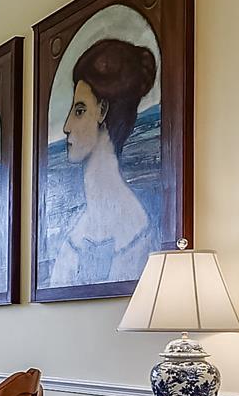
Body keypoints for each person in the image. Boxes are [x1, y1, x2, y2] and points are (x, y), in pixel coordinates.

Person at [44, 37, 160, 289]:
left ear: (103, 111)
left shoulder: (136, 235)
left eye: (79, 110)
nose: (66, 127)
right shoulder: (77, 232)